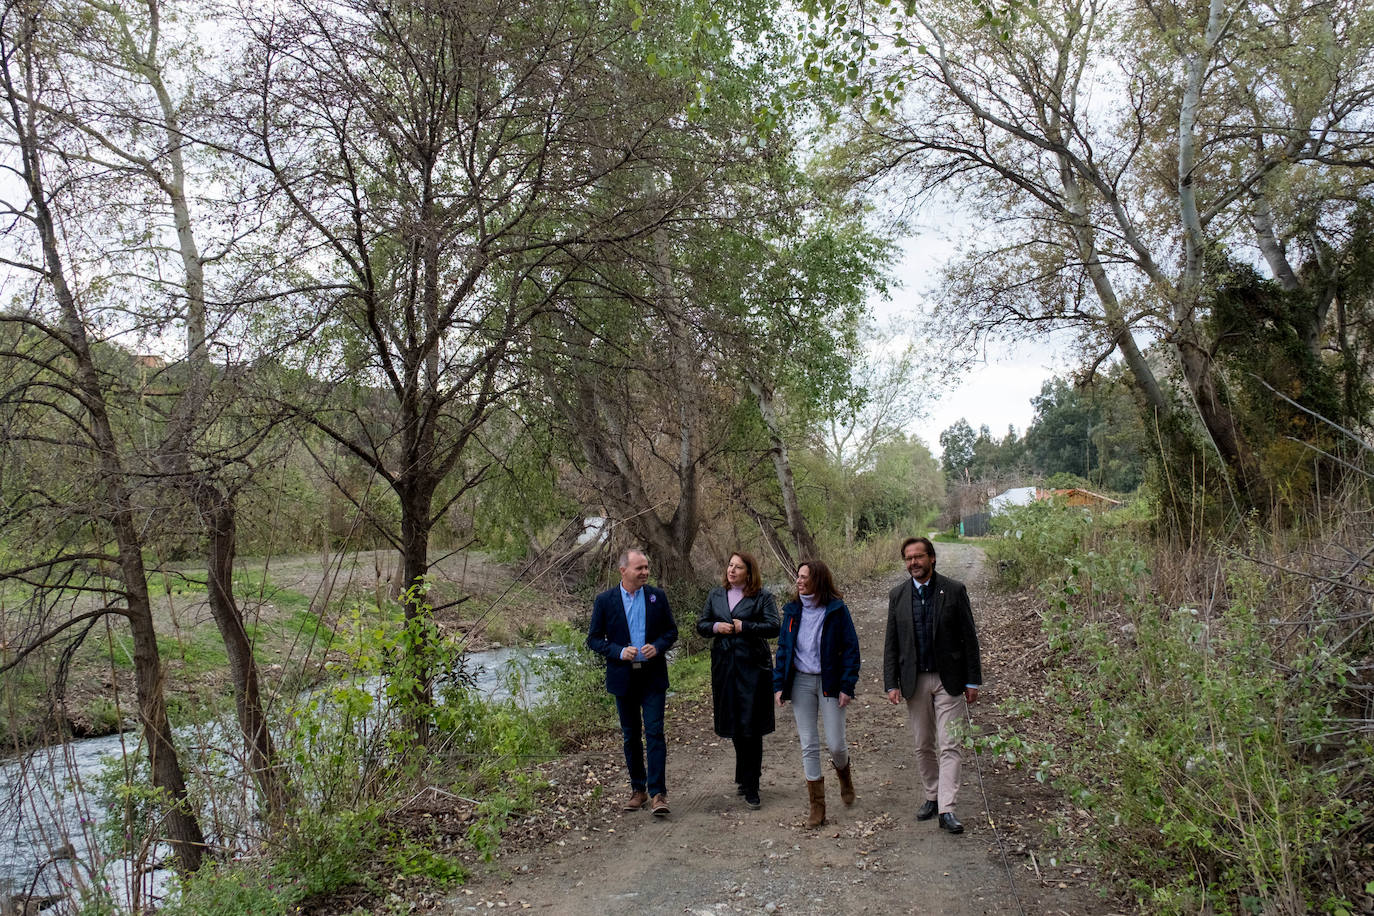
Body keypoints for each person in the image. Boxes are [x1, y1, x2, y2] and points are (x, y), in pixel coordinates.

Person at [883, 536, 983, 834]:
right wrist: (891, 683)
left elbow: (969, 637)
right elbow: (891, 643)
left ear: (932, 558)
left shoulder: (954, 590)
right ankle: (932, 794)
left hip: (948, 679)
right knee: (923, 744)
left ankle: (946, 808)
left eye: (918, 556)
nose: (913, 562)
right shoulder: (898, 596)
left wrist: (972, 680)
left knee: (950, 744)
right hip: (914, 681)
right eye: (908, 558)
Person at [587, 548, 679, 817]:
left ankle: (658, 793)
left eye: (646, 567)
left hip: (652, 676)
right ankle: (638, 789)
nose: (645, 572)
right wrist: (618, 651)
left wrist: (657, 646)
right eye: (640, 568)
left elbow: (671, 632)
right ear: (623, 570)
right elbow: (593, 639)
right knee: (631, 736)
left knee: (655, 732)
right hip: (623, 678)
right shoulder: (605, 601)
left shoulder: (656, 597)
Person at [772, 558, 860, 828]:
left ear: (818, 580)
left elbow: (851, 649)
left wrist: (847, 686)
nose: (798, 581)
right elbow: (784, 649)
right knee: (809, 743)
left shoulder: (837, 610)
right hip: (800, 682)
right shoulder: (792, 611)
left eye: (804, 577)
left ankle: (844, 775)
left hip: (830, 682)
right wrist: (779, 685)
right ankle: (817, 807)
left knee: (836, 744)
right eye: (798, 576)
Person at [695, 551, 780, 809]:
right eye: (730, 565)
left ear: (749, 573)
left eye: (738, 567)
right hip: (724, 668)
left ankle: (752, 785)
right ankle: (744, 775)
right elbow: (701, 625)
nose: (732, 570)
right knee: (733, 723)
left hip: (753, 668)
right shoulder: (716, 595)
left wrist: (746, 627)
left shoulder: (762, 597)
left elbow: (774, 626)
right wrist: (715, 627)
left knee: (751, 725)